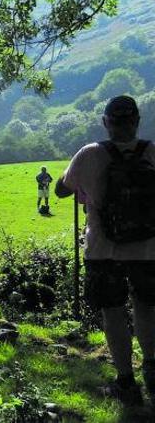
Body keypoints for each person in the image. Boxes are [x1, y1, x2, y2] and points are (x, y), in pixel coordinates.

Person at [55, 95, 155, 405]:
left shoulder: (90, 154)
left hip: (103, 250)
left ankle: (126, 382)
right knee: (147, 308)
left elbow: (61, 190)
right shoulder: (153, 152)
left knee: (113, 313)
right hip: (148, 249)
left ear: (105, 123)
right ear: (137, 121)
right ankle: (152, 370)